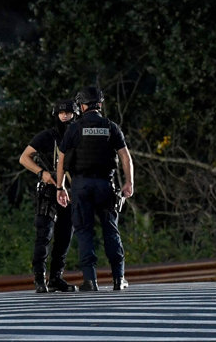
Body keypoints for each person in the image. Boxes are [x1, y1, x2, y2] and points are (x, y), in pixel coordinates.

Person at [56, 85, 134, 291]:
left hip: (81, 186)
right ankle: (119, 278)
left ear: (82, 106)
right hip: (105, 185)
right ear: (99, 104)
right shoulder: (111, 127)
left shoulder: (74, 129)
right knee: (111, 230)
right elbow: (125, 156)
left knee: (84, 232)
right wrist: (129, 183)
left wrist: (60, 187)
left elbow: (61, 161)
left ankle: (91, 280)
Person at [18, 98, 78, 293]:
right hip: (49, 190)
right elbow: (24, 157)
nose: (65, 116)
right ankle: (39, 278)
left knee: (65, 235)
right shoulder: (48, 136)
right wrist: (41, 173)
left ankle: (55, 278)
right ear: (56, 114)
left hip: (70, 191)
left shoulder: (78, 136)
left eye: (69, 113)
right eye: (62, 113)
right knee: (44, 234)